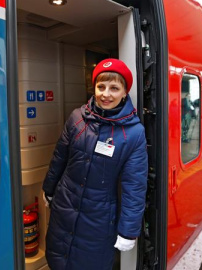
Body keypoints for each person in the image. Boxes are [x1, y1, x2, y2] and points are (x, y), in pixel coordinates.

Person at [42, 59, 148, 269]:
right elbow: (59, 157)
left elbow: (134, 186)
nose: (106, 94)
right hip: (64, 206)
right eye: (101, 87)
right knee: (56, 258)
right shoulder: (77, 118)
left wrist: (128, 230)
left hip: (99, 217)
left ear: (125, 92)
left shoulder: (134, 133)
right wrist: (49, 188)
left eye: (114, 88)